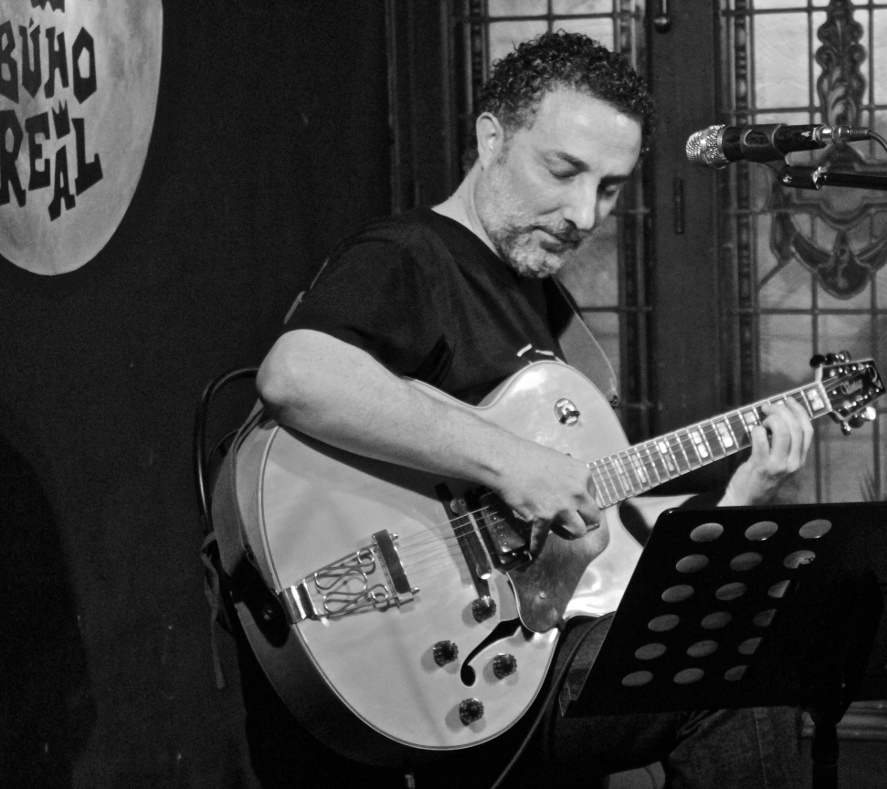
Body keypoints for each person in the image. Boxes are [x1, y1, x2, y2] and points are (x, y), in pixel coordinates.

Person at [243, 31, 814, 789]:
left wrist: (741, 497)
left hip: (532, 636)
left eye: (609, 188)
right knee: (736, 666)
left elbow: (606, 549)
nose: (584, 212)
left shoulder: (543, 305)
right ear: (491, 139)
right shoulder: (411, 254)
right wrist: (515, 463)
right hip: (436, 654)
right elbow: (296, 373)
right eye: (563, 170)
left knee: (753, 629)